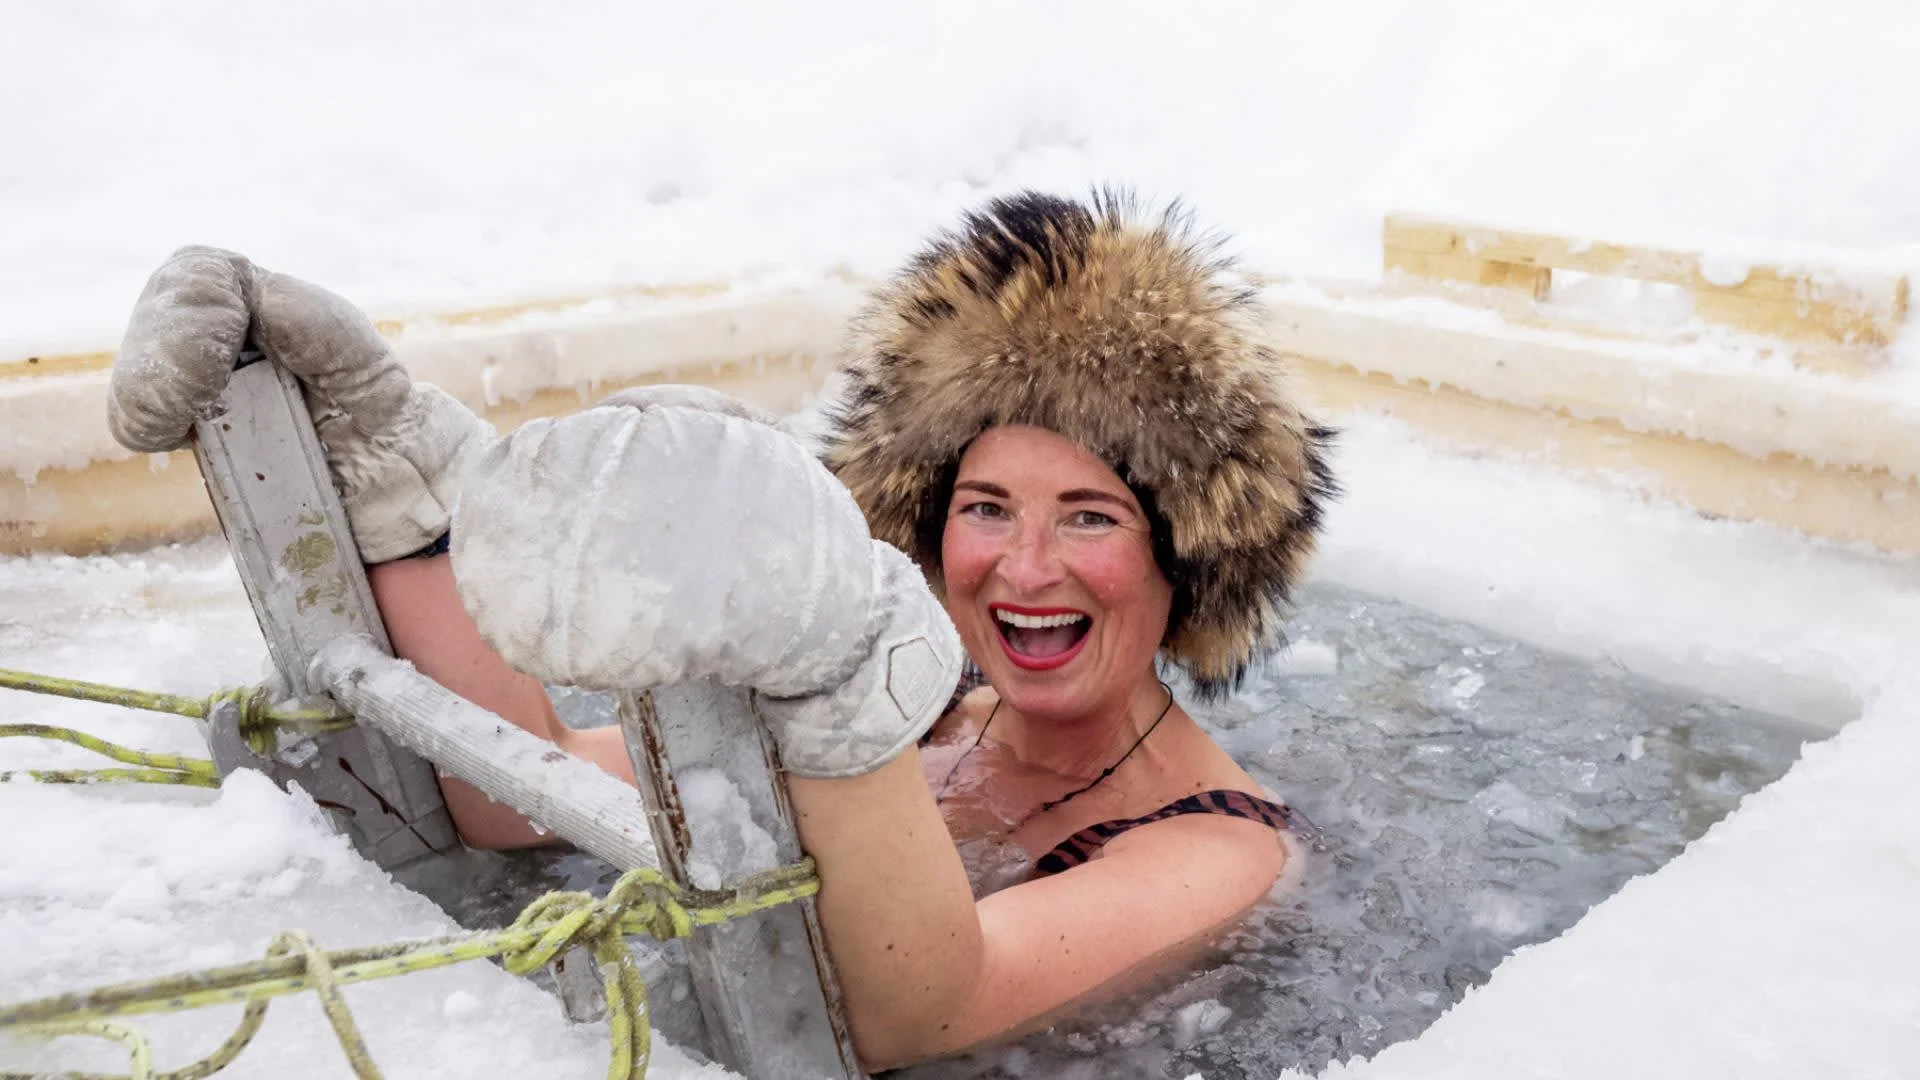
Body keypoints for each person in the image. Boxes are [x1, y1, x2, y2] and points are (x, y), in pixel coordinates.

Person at [107, 190, 1334, 1070]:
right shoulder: (939, 722)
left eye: (1089, 517)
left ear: (1191, 559)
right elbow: (514, 802)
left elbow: (932, 1010)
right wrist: (392, 458)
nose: (1023, 567)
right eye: (985, 508)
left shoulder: (1222, 847)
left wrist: (833, 664)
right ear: (929, 534)